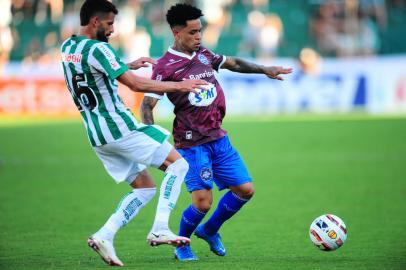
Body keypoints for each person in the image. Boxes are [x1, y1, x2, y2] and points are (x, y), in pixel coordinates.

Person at [60, 0, 207, 267]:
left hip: (97, 136)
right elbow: (136, 85)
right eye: (109, 23)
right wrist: (180, 85)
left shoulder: (68, 46)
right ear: (95, 21)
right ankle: (160, 227)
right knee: (179, 165)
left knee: (145, 188)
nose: (113, 29)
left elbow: (90, 70)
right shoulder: (100, 49)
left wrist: (125, 63)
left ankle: (105, 235)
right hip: (120, 128)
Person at [141, 3, 292, 261]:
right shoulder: (165, 67)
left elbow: (232, 63)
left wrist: (265, 69)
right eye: (192, 32)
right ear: (177, 33)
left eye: (200, 31)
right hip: (191, 143)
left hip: (218, 138)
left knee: (245, 190)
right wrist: (153, 143)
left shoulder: (203, 54)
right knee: (202, 202)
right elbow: (147, 105)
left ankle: (210, 230)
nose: (198, 36)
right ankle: (182, 244)